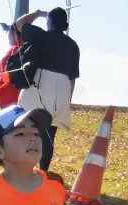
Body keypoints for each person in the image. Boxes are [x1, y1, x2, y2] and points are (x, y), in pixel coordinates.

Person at [15, 8, 80, 172]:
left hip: (40, 84)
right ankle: (43, 171)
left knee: (26, 128)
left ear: (49, 22)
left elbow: (19, 23)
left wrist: (37, 13)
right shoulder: (73, 46)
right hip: (61, 90)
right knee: (49, 135)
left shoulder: (40, 36)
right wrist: (67, 101)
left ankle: (23, 167)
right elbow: (72, 78)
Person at [0, 24, 24, 109]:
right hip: (12, 99)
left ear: (15, 35)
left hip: (11, 101)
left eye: (9, 34)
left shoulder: (18, 50)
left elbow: (12, 78)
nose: (8, 37)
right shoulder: (19, 49)